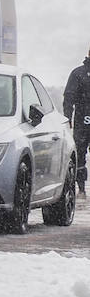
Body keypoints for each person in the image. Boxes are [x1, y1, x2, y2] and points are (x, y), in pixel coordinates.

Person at [63, 48, 90, 195]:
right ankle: (80, 190)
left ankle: (81, 191)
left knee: (79, 155)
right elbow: (69, 97)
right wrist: (67, 118)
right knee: (79, 155)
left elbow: (68, 97)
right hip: (81, 123)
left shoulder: (78, 73)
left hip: (81, 123)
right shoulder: (78, 73)